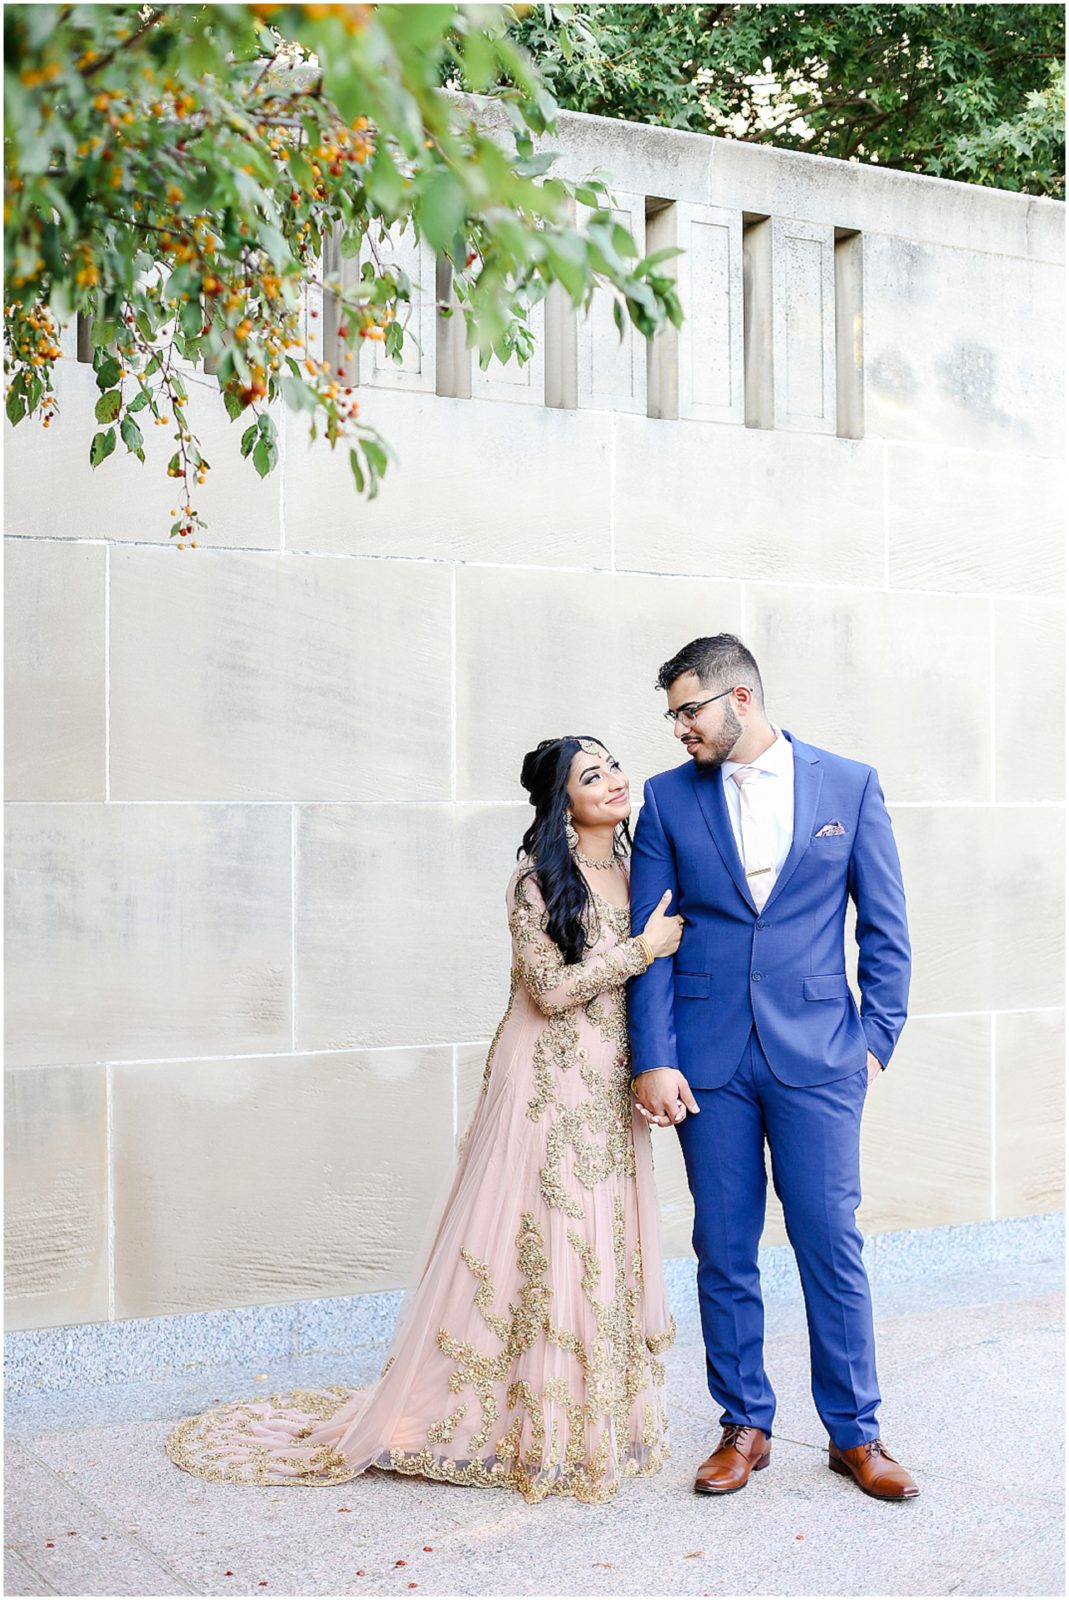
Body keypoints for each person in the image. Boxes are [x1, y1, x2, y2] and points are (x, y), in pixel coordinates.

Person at [167, 735, 683, 1505]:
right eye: (590, 775)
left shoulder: (644, 873)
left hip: (607, 1077)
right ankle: (507, 1420)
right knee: (540, 1233)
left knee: (598, 1232)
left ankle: (587, 1417)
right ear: (559, 801)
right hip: (544, 1075)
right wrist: (640, 950)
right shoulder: (536, 879)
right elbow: (547, 990)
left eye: (611, 766)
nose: (611, 781)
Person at [628, 634, 919, 1503]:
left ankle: (854, 1435)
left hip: (821, 1055)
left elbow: (885, 926)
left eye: (689, 710)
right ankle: (743, 1424)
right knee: (722, 1247)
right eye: (672, 714)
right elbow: (649, 943)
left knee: (830, 1242)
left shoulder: (848, 784)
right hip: (707, 1058)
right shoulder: (665, 799)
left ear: (740, 699)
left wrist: (874, 1041)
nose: (679, 727)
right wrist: (654, 1059)